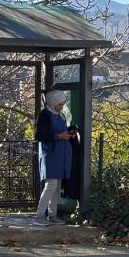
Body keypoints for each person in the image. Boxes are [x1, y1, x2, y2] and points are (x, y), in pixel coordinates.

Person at [34, 90, 75, 225]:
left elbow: (60, 130)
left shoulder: (60, 114)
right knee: (51, 185)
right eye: (59, 104)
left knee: (56, 187)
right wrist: (59, 136)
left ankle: (53, 215)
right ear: (52, 102)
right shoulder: (44, 115)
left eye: (62, 104)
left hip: (59, 155)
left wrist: (68, 133)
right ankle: (39, 216)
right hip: (50, 155)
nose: (61, 107)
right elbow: (39, 136)